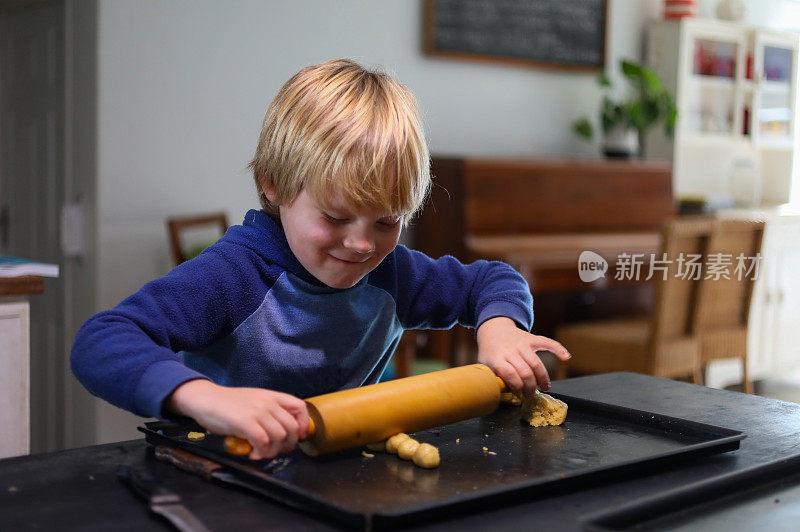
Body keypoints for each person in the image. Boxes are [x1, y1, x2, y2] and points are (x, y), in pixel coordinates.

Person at [71, 59, 570, 460]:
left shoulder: (392, 274)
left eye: (386, 221)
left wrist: (501, 327)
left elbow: (492, 280)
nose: (362, 245)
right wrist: (205, 398)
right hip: (215, 474)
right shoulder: (233, 277)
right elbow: (102, 340)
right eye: (335, 217)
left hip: (337, 474)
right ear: (275, 184)